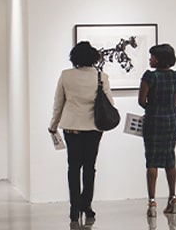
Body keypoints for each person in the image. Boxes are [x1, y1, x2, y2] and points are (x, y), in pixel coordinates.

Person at [48, 41, 114, 225]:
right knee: (90, 168)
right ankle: (87, 206)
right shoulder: (101, 76)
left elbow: (58, 104)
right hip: (94, 128)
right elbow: (110, 103)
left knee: (73, 167)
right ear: (94, 57)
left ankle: (74, 208)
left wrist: (53, 125)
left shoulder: (66, 76)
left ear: (74, 57)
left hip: (72, 128)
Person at [138, 44, 176, 217]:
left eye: (152, 57)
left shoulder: (150, 76)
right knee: (170, 158)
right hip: (171, 119)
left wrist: (153, 107)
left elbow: (142, 101)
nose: (150, 59)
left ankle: (152, 202)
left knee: (152, 160)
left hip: (154, 120)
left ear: (158, 59)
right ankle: (173, 197)